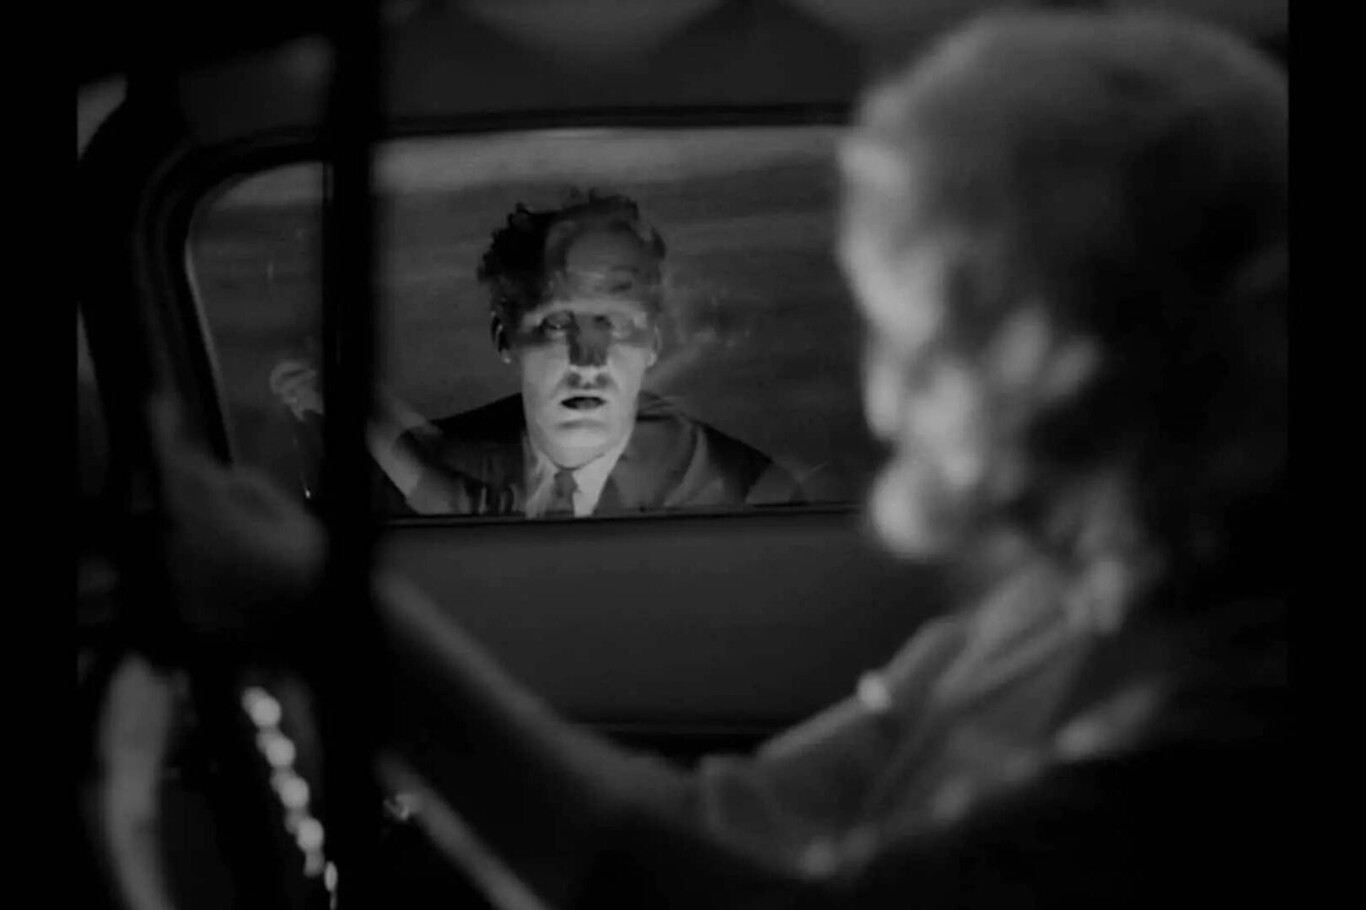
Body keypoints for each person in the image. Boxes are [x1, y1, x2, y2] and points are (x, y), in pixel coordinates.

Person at [157, 8, 1286, 907]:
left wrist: (325, 622)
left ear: (1090, 348)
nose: (888, 401)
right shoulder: (1036, 621)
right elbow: (719, 826)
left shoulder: (1224, 739)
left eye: (932, 339)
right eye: (553, 325)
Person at [272, 191, 801, 517]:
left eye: (613, 323)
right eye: (557, 324)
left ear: (653, 344)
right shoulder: (433, 470)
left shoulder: (746, 494)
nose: (587, 358)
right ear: (506, 339)